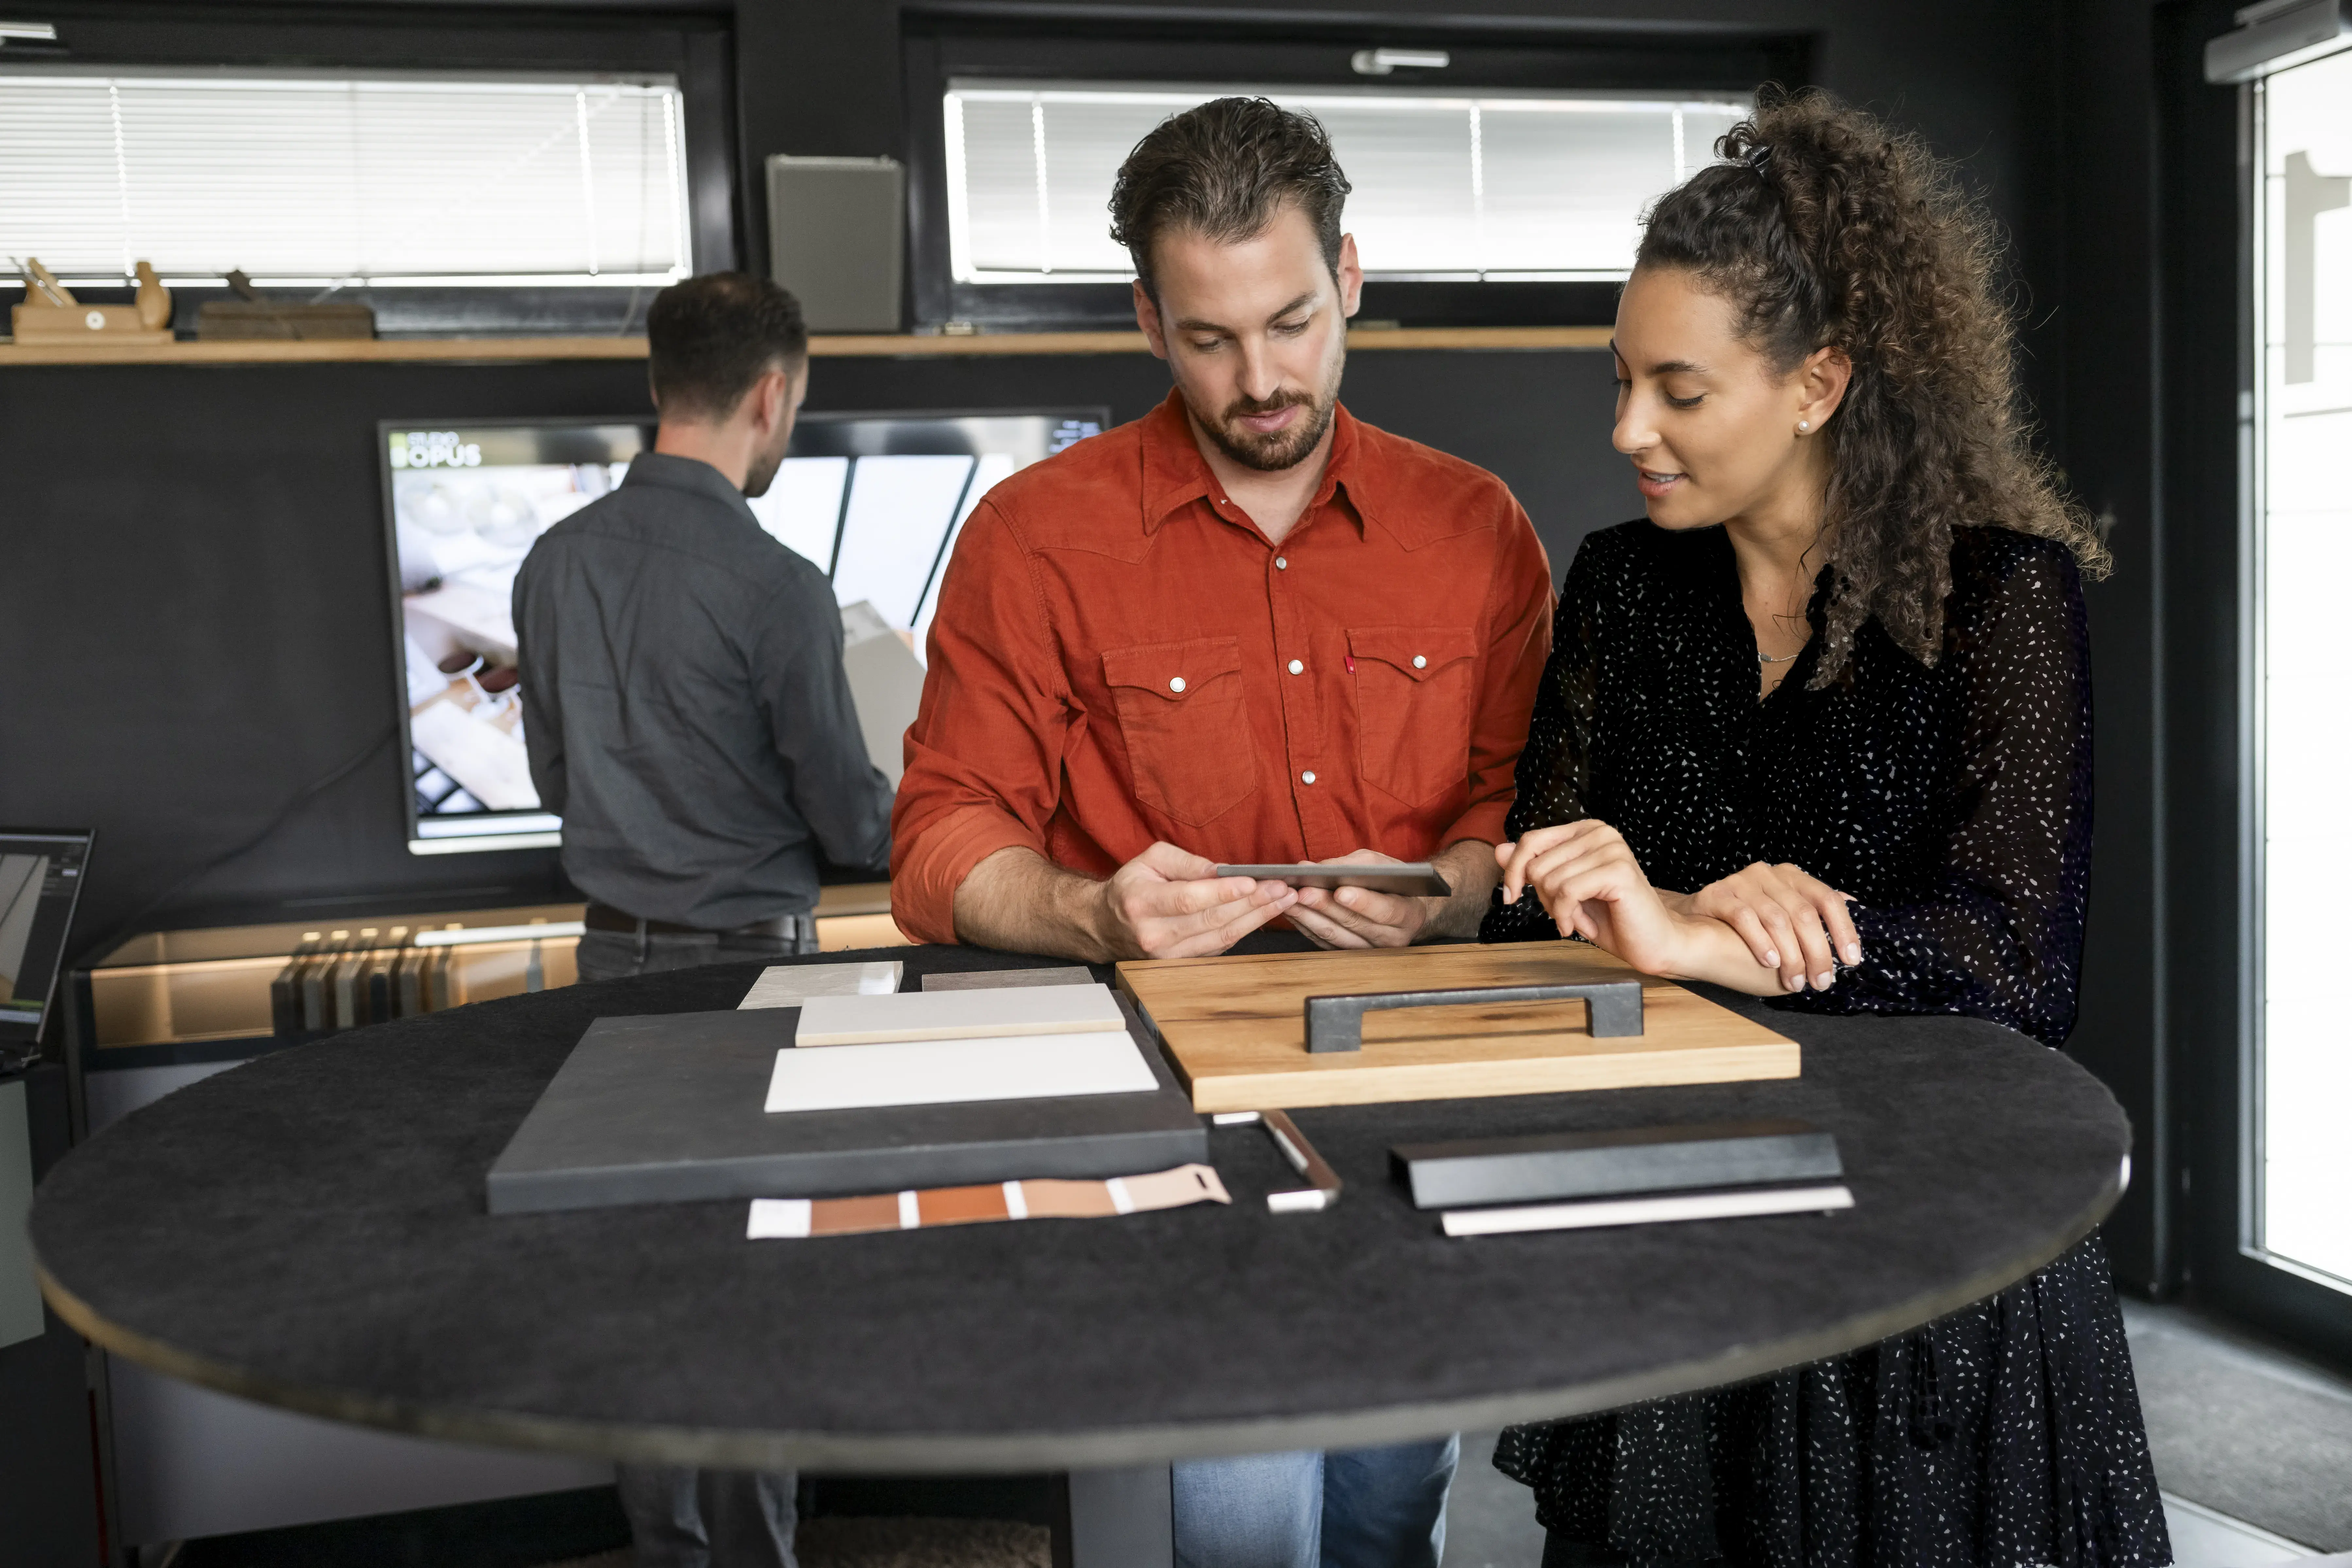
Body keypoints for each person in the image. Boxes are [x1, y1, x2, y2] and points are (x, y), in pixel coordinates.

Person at [1481, 89, 2171, 1567]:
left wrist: (1714, 936)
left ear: (1817, 383)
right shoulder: (1619, 586)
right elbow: (1527, 906)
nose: (1625, 430)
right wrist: (1648, 909)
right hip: (1681, 1227)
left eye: (1677, 389)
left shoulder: (2001, 594)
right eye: (1620, 380)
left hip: (1932, 1254)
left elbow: (2015, 965)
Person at [889, 98, 1554, 1568]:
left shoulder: (1479, 528)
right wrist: (1094, 915)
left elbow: (1521, 805)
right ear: (1146, 319)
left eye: (1293, 321)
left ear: (1352, 277)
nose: (1261, 378)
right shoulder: (1033, 536)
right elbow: (940, 835)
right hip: (1162, 1128)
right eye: (1208, 338)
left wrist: (1444, 893)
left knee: (1389, 1518)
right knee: (1240, 1526)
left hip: (1410, 1112)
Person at [514, 272, 894, 1568]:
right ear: (773, 393)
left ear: (659, 387)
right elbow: (851, 825)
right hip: (750, 984)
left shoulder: (552, 562)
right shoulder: (777, 583)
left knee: (642, 1295)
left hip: (599, 968)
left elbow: (557, 782)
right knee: (745, 1298)